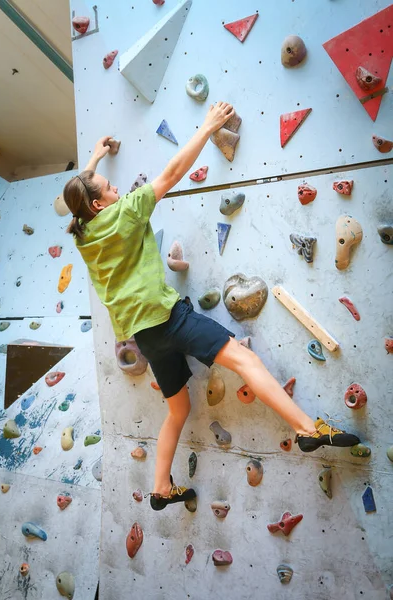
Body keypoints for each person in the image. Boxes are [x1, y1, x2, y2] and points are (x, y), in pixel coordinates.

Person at [63, 101, 360, 511]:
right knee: (243, 361)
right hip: (170, 319)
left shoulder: (82, 237)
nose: (118, 189)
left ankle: (160, 488)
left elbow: (84, 194)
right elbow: (170, 174)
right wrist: (206, 127)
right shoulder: (127, 212)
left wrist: (95, 156)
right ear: (100, 204)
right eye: (109, 188)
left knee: (177, 409)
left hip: (146, 339)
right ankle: (307, 428)